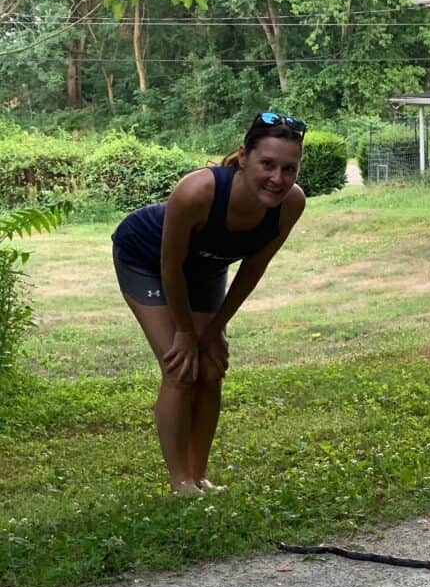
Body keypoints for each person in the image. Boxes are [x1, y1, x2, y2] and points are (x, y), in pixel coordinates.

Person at [112, 111, 306, 495]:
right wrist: (185, 331)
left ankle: (200, 476)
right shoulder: (197, 191)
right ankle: (179, 481)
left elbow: (253, 268)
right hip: (146, 259)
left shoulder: (291, 205)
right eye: (268, 164)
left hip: (206, 268)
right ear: (244, 156)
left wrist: (214, 330)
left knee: (212, 368)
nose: (278, 178)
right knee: (181, 367)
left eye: (289, 168)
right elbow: (170, 267)